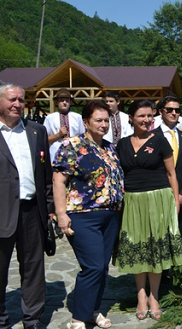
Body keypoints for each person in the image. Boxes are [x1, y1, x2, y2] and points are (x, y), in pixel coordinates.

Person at [53, 101, 124, 329]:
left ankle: (93, 310)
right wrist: (61, 214)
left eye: (106, 121)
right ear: (86, 122)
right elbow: (58, 181)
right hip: (83, 216)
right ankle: (78, 318)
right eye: (98, 120)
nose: (104, 125)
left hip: (110, 216)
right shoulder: (72, 145)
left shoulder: (110, 148)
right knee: (92, 266)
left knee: (102, 267)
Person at [115, 100, 182, 321]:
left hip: (159, 199)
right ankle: (140, 296)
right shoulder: (122, 144)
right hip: (133, 202)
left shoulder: (160, 140)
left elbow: (171, 174)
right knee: (139, 247)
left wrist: (175, 201)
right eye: (141, 116)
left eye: (150, 116)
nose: (147, 120)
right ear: (131, 118)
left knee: (156, 249)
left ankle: (154, 296)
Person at [0, 84, 53, 329]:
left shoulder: (36, 131)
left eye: (21, 100)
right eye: (12, 99)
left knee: (33, 268)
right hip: (2, 213)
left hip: (32, 211)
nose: (17, 104)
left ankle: (32, 319)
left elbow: (46, 173)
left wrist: (50, 208)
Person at [152, 96, 182, 239]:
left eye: (177, 110)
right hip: (159, 195)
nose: (174, 113)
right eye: (169, 109)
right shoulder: (152, 137)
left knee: (180, 237)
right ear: (161, 112)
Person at [44, 88, 85, 163]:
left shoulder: (77, 117)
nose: (64, 102)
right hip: (55, 154)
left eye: (67, 100)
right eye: (62, 100)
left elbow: (83, 137)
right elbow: (44, 139)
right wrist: (58, 135)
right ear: (57, 102)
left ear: (70, 102)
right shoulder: (49, 118)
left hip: (74, 154)